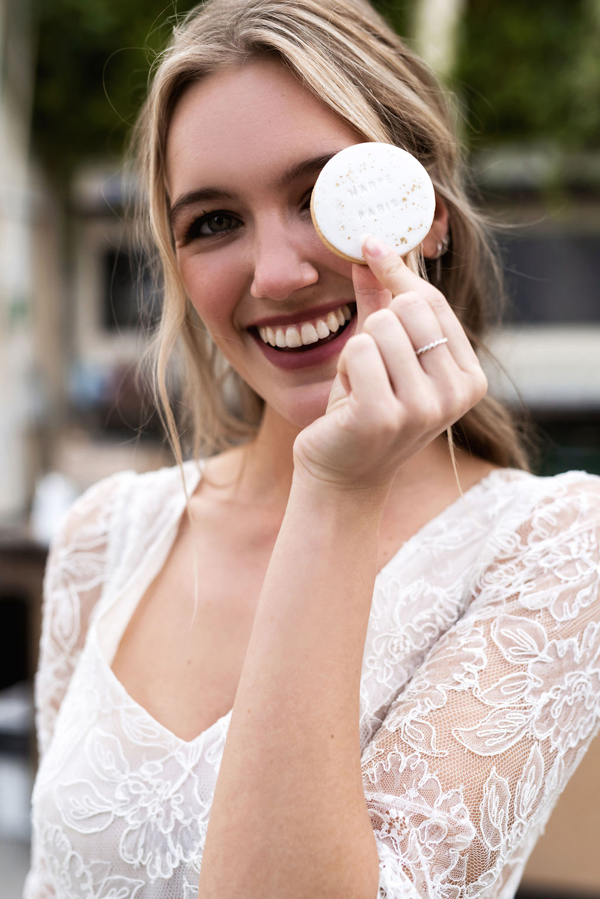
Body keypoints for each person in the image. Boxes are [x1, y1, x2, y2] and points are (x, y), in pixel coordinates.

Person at [25, 0, 600, 897]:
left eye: (318, 196)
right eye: (213, 221)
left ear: (429, 216)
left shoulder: (556, 550)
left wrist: (334, 492)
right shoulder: (106, 538)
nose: (278, 274)